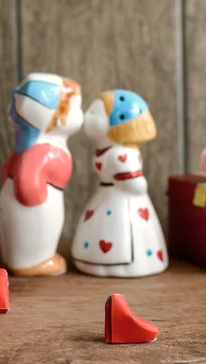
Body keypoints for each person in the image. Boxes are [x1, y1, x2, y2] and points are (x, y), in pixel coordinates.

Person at [71, 90, 168, 277]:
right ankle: (97, 259)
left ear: (117, 124)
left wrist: (133, 183)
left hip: (124, 200)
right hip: (107, 195)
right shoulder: (105, 151)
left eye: (94, 113)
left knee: (121, 231)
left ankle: (124, 261)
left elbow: (137, 185)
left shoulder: (120, 155)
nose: (86, 116)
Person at [0, 72, 83, 276]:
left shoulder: (25, 149)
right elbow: (27, 187)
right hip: (34, 211)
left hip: (16, 206)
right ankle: (33, 261)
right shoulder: (41, 151)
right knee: (32, 240)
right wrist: (36, 199)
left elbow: (6, 171)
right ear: (56, 116)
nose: (81, 113)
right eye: (76, 108)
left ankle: (18, 258)